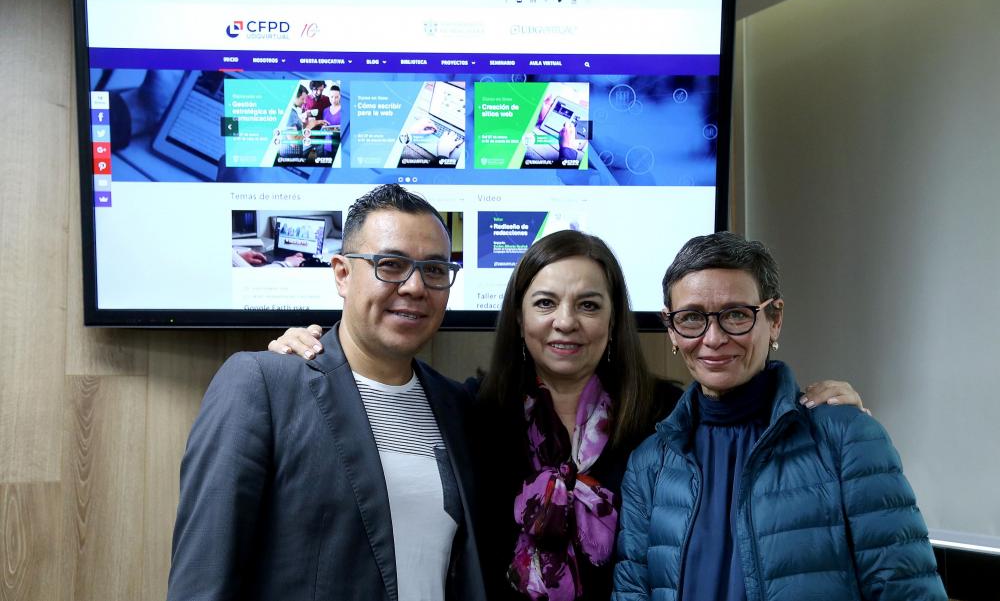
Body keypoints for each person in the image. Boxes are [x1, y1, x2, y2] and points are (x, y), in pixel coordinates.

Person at [269, 232, 865, 601]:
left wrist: (827, 403)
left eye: (588, 305)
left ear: (613, 319)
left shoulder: (668, 418)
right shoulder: (472, 413)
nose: (566, 322)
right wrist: (307, 346)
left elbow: (748, 422)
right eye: (545, 302)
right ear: (519, 316)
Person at [167, 184, 486, 601]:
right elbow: (202, 581)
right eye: (391, 265)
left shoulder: (458, 407)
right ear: (341, 274)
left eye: (435, 269)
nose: (415, 287)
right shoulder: (263, 385)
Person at [613, 231, 946, 601]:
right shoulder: (648, 464)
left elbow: (910, 593)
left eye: (736, 314)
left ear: (774, 319)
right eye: (691, 318)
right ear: (671, 329)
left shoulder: (847, 440)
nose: (713, 338)